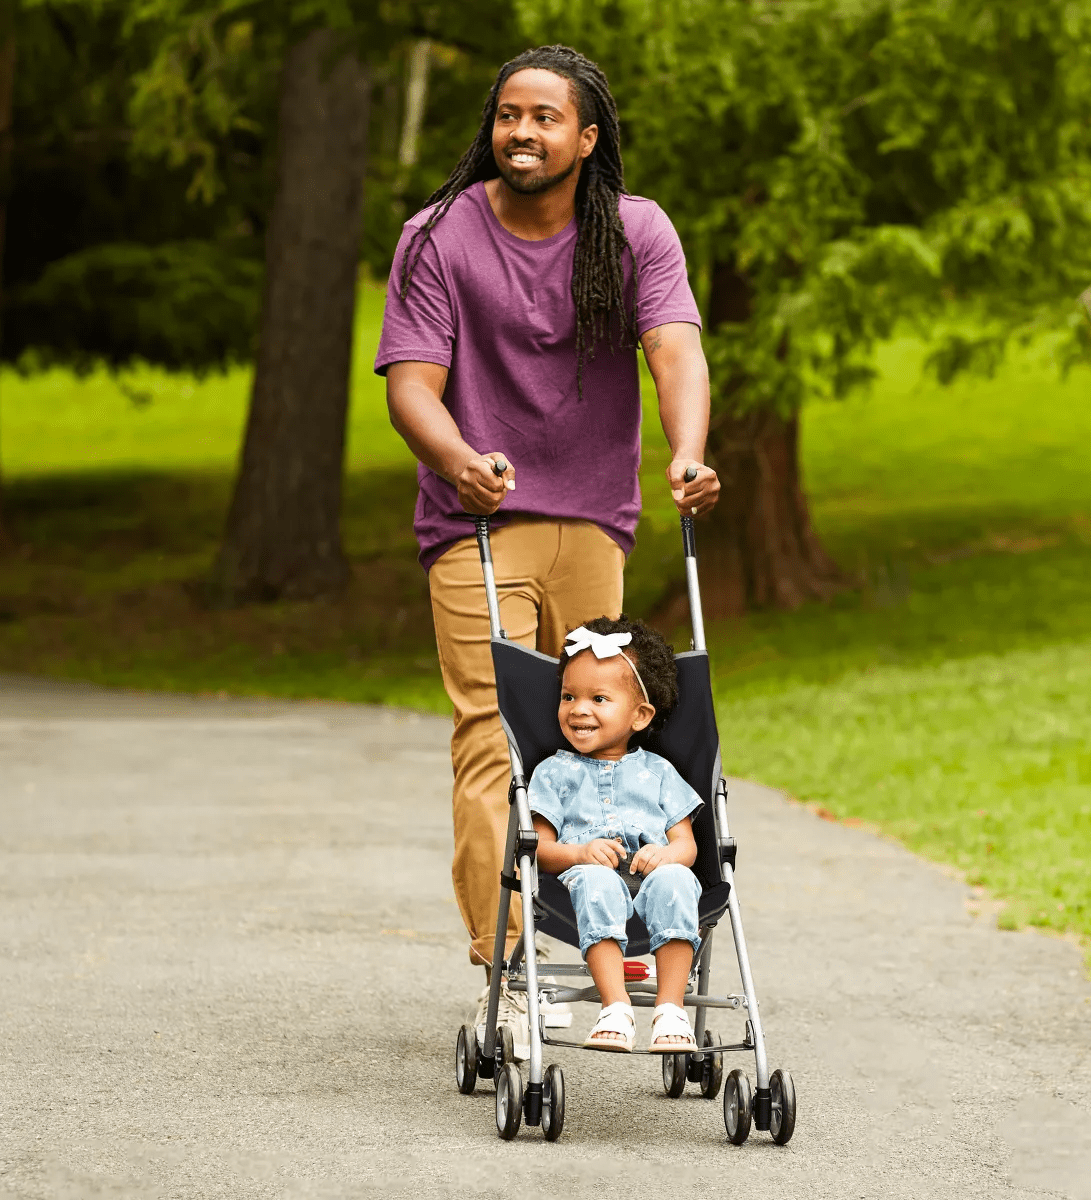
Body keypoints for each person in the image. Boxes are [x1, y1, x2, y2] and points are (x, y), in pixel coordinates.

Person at [374, 44, 720, 1044]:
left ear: (587, 137)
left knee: (609, 733)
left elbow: (674, 349)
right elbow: (410, 387)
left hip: (594, 521)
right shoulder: (438, 235)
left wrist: (689, 452)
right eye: (507, 115)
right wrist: (456, 459)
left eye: (544, 117)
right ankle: (509, 961)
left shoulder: (635, 231)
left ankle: (632, 934)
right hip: (475, 526)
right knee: (494, 737)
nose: (521, 132)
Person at [529, 617, 702, 1052]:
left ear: (640, 715)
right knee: (597, 881)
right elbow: (539, 849)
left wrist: (667, 856)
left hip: (652, 877)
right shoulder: (553, 772)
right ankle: (615, 1006)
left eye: (599, 698)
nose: (578, 709)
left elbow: (686, 844)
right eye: (568, 696)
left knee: (678, 880)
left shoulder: (660, 772)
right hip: (583, 881)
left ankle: (671, 1008)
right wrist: (579, 853)